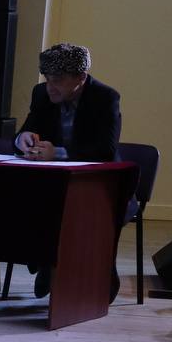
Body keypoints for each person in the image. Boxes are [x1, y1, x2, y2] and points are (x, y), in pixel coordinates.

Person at [14, 42, 122, 298]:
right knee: (20, 199)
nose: (50, 87)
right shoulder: (41, 94)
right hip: (53, 183)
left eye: (58, 80)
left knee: (66, 210)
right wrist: (22, 139)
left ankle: (100, 272)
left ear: (81, 77)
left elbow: (105, 150)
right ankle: (44, 259)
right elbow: (26, 130)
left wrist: (59, 153)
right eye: (47, 79)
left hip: (99, 185)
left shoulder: (105, 97)